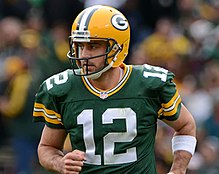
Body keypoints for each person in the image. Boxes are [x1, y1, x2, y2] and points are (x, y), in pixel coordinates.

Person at [33, 5, 197, 174]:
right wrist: (59, 163)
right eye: (80, 46)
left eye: (93, 46)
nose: (83, 55)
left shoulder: (149, 85)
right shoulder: (63, 89)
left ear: (116, 48)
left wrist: (178, 170)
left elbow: (186, 125)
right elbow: (47, 147)